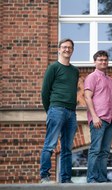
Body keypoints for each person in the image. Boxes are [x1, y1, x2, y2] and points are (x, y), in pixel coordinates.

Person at [40, 38, 79, 183]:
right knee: (50, 144)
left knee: (67, 148)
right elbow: (45, 91)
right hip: (56, 109)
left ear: (72, 50)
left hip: (71, 112)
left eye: (69, 47)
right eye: (64, 47)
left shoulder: (75, 71)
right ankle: (44, 176)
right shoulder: (53, 67)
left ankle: (66, 179)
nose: (67, 49)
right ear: (59, 49)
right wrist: (50, 110)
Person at [84, 50, 112, 183]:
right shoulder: (92, 77)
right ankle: (91, 179)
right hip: (99, 119)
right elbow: (87, 97)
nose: (103, 62)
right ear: (95, 62)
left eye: (105, 60)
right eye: (100, 60)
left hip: (110, 119)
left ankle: (102, 179)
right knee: (95, 150)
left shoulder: (110, 80)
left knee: (105, 152)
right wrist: (94, 116)